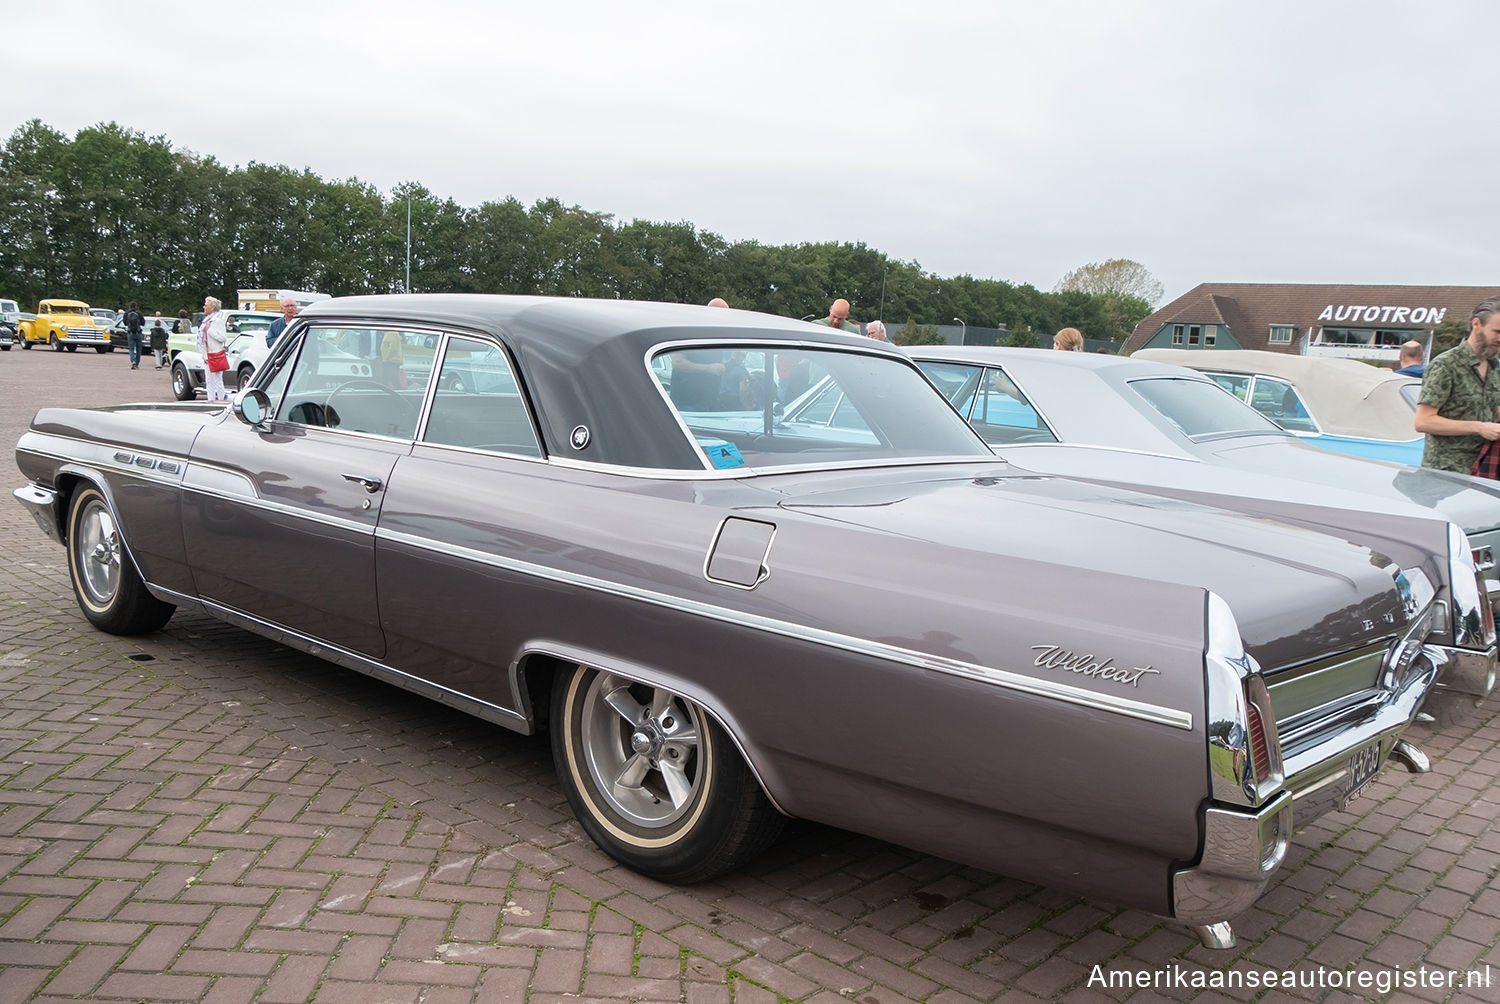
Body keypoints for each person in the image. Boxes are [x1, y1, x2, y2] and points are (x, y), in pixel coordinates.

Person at [1414, 295, 1500, 474]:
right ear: (1477, 324)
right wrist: (1480, 427)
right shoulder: (1445, 365)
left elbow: (1494, 410)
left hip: (1484, 472)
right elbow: (1423, 422)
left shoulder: (1495, 367)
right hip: (1445, 475)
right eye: (1497, 332)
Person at [200, 295, 230, 403]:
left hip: (216, 354)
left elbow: (222, 337)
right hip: (208, 355)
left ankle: (221, 399)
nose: (204, 307)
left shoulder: (217, 321)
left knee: (217, 379)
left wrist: (209, 330)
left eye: (206, 305)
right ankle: (210, 399)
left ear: (212, 307)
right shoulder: (206, 321)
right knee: (209, 380)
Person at [121, 301, 145, 369]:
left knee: (131, 349)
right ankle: (137, 364)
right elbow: (143, 323)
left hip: (130, 332)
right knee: (138, 350)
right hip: (138, 332)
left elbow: (125, 323)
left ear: (129, 306)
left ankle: (133, 361)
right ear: (136, 306)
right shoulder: (139, 313)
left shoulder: (126, 313)